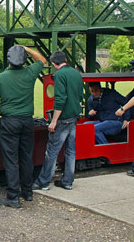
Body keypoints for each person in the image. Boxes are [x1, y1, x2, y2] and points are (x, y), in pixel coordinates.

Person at [0, 45, 46, 208]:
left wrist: (4, 106)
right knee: (27, 157)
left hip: (9, 121)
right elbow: (42, 60)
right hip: (27, 121)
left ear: (8, 60)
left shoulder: (0, 77)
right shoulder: (30, 72)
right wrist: (26, 48)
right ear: (23, 60)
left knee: (11, 160)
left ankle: (13, 197)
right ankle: (27, 192)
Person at [33, 51, 83, 191]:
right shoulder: (76, 73)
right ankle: (68, 181)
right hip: (74, 116)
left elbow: (61, 99)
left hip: (63, 118)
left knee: (52, 151)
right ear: (65, 60)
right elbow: (79, 95)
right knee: (71, 150)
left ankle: (43, 182)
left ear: (54, 63)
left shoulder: (59, 75)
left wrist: (54, 121)